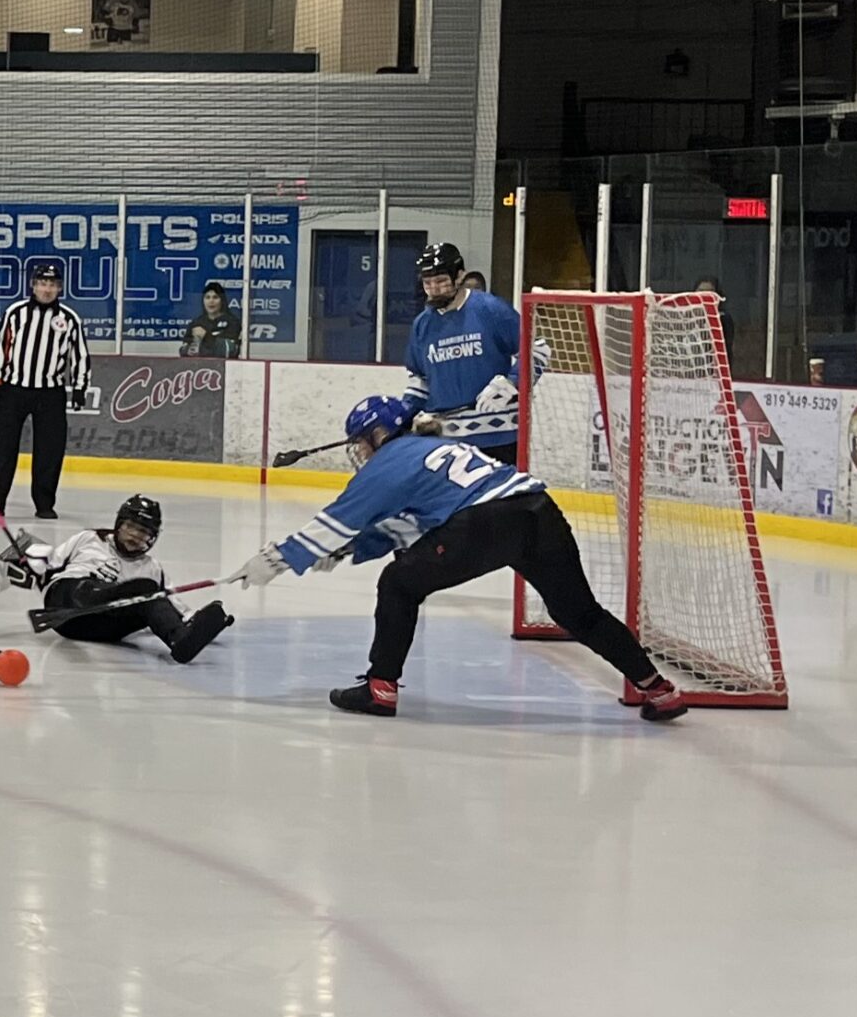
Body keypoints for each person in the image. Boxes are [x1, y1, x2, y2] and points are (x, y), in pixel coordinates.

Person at [225, 395, 687, 721]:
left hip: (486, 523)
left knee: (399, 584)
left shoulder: (391, 461)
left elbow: (338, 518)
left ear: (379, 435)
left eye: (362, 442)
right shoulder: (434, 448)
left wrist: (278, 556)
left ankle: (380, 688)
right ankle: (658, 690)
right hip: (537, 510)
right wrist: (355, 548)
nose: (360, 453)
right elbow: (424, 522)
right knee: (577, 612)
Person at [0, 495, 231, 663]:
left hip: (99, 626)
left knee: (149, 591)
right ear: (119, 525)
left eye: (144, 532)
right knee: (87, 586)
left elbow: (172, 606)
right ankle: (96, 589)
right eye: (131, 527)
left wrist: (200, 622)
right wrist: (30, 562)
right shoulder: (89, 539)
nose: (135, 536)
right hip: (66, 607)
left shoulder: (151, 568)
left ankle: (179, 643)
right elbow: (52, 564)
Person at [401, 242, 549, 465]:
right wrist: (407, 415)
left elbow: (538, 349)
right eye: (428, 282)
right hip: (446, 443)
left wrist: (512, 382)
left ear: (459, 276)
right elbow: (419, 380)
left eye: (441, 281)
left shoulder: (491, 309)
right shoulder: (422, 325)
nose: (434, 288)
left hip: (499, 438)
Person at [0, 262, 92, 520]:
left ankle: (44, 503)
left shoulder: (69, 319)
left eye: (52, 284)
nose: (47, 289)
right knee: (2, 448)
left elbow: (80, 355)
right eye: (42, 283)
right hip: (14, 389)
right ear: (33, 285)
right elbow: (1, 346)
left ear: (60, 288)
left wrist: (79, 387)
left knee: (50, 450)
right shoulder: (15, 312)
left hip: (50, 392)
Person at [182, 282, 241, 357]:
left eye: (215, 297)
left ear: (222, 300)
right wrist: (188, 351)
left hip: (226, 367)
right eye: (207, 297)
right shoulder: (196, 323)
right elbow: (183, 349)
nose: (211, 301)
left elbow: (229, 351)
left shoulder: (233, 322)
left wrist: (206, 336)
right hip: (198, 367)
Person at [694, 275, 734, 358]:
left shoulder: (724, 319)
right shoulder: (686, 319)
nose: (705, 296)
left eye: (709, 292)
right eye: (701, 291)